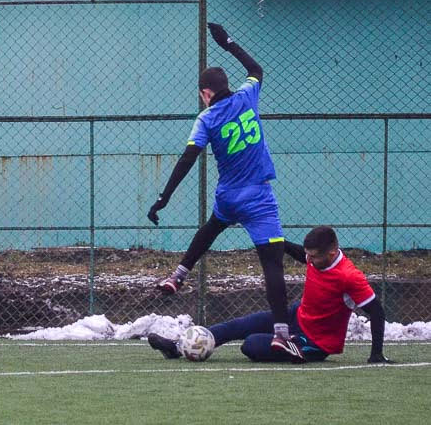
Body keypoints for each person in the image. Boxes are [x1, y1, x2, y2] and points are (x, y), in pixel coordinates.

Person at [147, 23, 301, 359]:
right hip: (259, 196)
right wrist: (227, 42)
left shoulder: (206, 118)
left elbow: (189, 158)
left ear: (205, 93)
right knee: (272, 264)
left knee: (212, 226)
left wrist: (165, 197)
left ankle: (179, 274)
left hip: (229, 195)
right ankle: (280, 334)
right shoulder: (248, 95)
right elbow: (256, 69)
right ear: (225, 86)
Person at [148, 226, 394, 364]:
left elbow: (376, 311)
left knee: (252, 345)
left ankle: (297, 351)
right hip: (294, 316)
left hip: (315, 342)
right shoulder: (314, 257)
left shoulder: (349, 276)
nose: (309, 259)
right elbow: (296, 251)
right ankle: (178, 348)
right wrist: (271, 238)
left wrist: (376, 354)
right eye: (308, 254)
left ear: (331, 254)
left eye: (314, 256)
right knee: (237, 325)